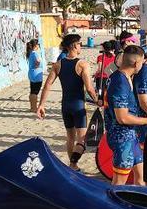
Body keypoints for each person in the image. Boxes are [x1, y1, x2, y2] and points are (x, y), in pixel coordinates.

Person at [36, 34, 101, 171]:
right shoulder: (82, 64)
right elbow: (89, 88)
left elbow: (47, 85)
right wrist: (97, 100)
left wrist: (41, 105)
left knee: (70, 137)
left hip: (65, 106)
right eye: (79, 43)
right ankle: (73, 163)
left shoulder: (58, 65)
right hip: (78, 106)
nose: (81, 46)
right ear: (74, 46)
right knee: (82, 139)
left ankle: (73, 166)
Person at [105, 45, 147, 185]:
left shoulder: (125, 77)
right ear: (136, 63)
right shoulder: (120, 82)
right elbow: (122, 117)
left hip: (131, 135)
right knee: (119, 181)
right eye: (142, 62)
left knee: (141, 177)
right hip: (121, 136)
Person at [26, 39, 42, 112]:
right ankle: (34, 107)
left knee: (32, 91)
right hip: (36, 75)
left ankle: (32, 107)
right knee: (35, 92)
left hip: (32, 74)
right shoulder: (35, 53)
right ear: (36, 46)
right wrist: (37, 66)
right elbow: (38, 61)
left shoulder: (30, 53)